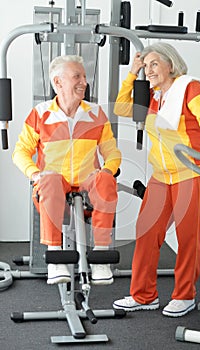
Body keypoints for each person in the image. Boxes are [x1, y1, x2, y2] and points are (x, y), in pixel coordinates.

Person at [112, 42, 200, 317]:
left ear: (170, 64)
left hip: (191, 171)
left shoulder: (189, 87)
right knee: (147, 232)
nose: (149, 70)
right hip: (162, 175)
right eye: (147, 64)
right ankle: (143, 295)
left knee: (188, 236)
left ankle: (184, 295)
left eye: (154, 64)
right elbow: (120, 107)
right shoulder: (152, 98)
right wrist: (133, 73)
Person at [12, 55, 121, 286]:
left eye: (83, 76)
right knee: (49, 179)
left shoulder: (95, 113)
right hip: (54, 186)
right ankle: (56, 258)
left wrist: (108, 170)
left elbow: (112, 151)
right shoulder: (41, 114)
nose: (84, 81)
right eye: (76, 76)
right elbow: (20, 152)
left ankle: (100, 258)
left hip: (87, 182)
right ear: (58, 82)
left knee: (104, 180)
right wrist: (35, 174)